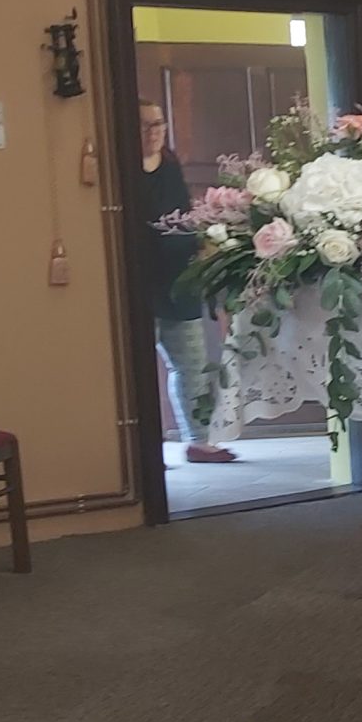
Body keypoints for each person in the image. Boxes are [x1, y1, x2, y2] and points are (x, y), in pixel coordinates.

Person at [137, 102, 235, 466]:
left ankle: (198, 441)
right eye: (145, 125)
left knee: (192, 366)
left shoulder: (170, 164)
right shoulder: (124, 169)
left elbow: (183, 215)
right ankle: (145, 447)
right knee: (138, 371)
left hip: (178, 280)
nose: (153, 131)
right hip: (141, 282)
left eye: (158, 123)